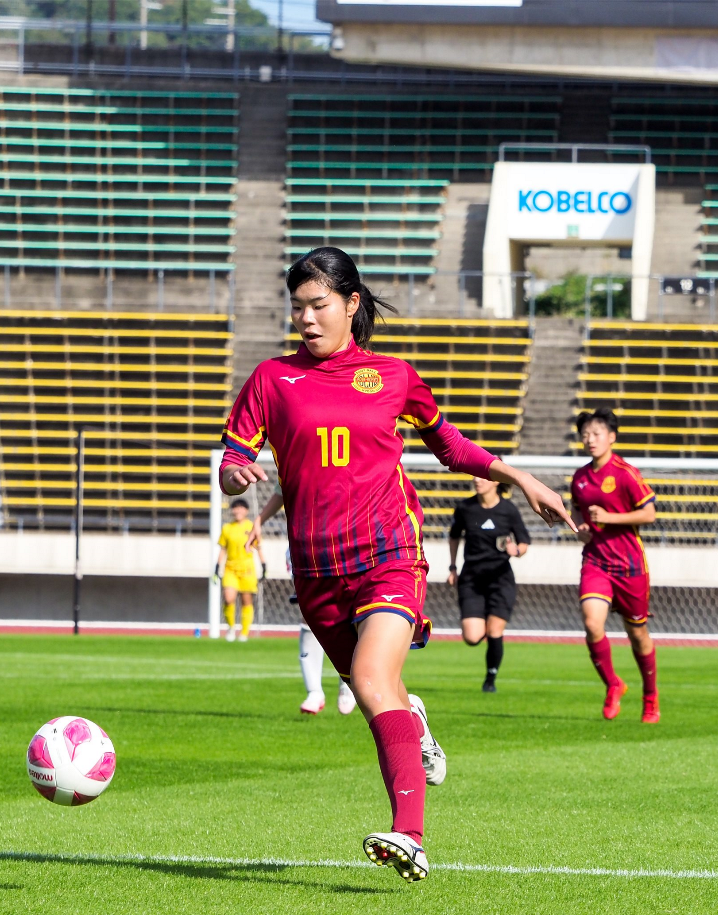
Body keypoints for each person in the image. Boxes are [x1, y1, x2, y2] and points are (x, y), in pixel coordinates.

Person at [219, 246, 574, 881]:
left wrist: (519, 476)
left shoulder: (392, 375)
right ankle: (417, 723)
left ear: (352, 306)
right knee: (375, 687)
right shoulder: (272, 380)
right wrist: (237, 473)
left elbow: (451, 446)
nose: (305, 318)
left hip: (389, 554)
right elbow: (232, 461)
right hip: (316, 569)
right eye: (297, 307)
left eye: (318, 305)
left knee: (371, 678)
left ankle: (410, 835)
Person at [570, 408, 659, 723]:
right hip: (596, 562)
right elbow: (577, 511)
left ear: (611, 437)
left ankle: (650, 698)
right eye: (585, 435)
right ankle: (613, 684)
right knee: (593, 624)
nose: (590, 440)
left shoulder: (626, 473)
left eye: (596, 434)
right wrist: (580, 528)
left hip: (630, 565)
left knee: (638, 634)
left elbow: (649, 514)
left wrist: (610, 518)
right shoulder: (580, 477)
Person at [250, 492, 357, 716]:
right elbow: (282, 490)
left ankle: (348, 685)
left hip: (348, 542)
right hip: (304, 546)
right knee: (309, 613)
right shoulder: (296, 459)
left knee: (351, 617)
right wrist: (260, 520)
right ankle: (314, 691)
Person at [448, 476, 531, 693]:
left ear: (496, 481)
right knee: (472, 636)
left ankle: (490, 679)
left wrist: (517, 550)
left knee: (495, 629)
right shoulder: (465, 508)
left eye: (483, 476)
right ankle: (484, 622)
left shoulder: (509, 510)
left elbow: (524, 541)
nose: (477, 480)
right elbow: (454, 536)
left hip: (500, 579)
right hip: (471, 579)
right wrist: (452, 567)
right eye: (475, 475)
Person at [215, 498, 266, 642]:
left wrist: (264, 565)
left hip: (247, 570)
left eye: (241, 508)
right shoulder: (227, 528)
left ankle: (244, 633)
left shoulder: (251, 527)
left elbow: (258, 547)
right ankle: (231, 628)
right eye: (235, 508)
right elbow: (223, 549)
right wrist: (217, 567)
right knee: (228, 598)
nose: (238, 511)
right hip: (230, 568)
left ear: (246, 511)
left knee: (246, 600)